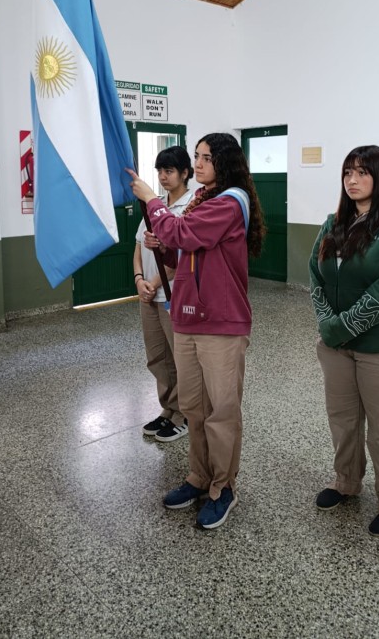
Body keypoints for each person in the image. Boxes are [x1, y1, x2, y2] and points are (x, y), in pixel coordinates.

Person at [128, 133, 265, 530]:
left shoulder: (230, 201)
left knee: (221, 411)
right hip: (188, 318)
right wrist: (164, 248)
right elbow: (188, 250)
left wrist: (151, 200)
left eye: (206, 158)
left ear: (225, 162)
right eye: (199, 157)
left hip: (220, 324)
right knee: (194, 407)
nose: (199, 163)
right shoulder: (205, 200)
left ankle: (223, 486)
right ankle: (199, 476)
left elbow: (188, 234)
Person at [309, 145, 379, 536]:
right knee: (342, 420)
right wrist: (328, 323)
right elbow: (315, 277)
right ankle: (346, 482)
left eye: (362, 173)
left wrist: (339, 328)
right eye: (347, 173)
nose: (352, 180)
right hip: (337, 347)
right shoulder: (332, 223)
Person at [134, 146, 194, 443]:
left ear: (185, 173)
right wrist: (138, 280)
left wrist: (154, 283)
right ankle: (168, 409)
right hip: (149, 294)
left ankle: (186, 415)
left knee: (180, 357)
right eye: (159, 171)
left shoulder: (191, 206)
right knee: (158, 357)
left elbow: (180, 259)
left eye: (169, 171)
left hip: (173, 294)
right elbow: (138, 248)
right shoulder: (153, 205)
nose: (163, 176)